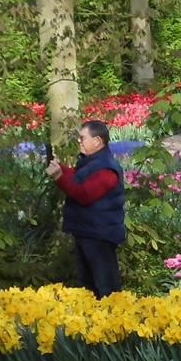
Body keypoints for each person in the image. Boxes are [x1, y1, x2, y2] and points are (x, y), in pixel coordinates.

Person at [48, 119, 125, 297]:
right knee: (88, 286)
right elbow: (77, 176)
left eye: (82, 138)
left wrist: (59, 176)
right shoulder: (93, 162)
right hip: (88, 232)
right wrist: (61, 169)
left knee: (106, 288)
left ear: (97, 141)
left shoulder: (107, 169)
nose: (79, 141)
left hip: (100, 235)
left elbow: (84, 194)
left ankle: (114, 321)